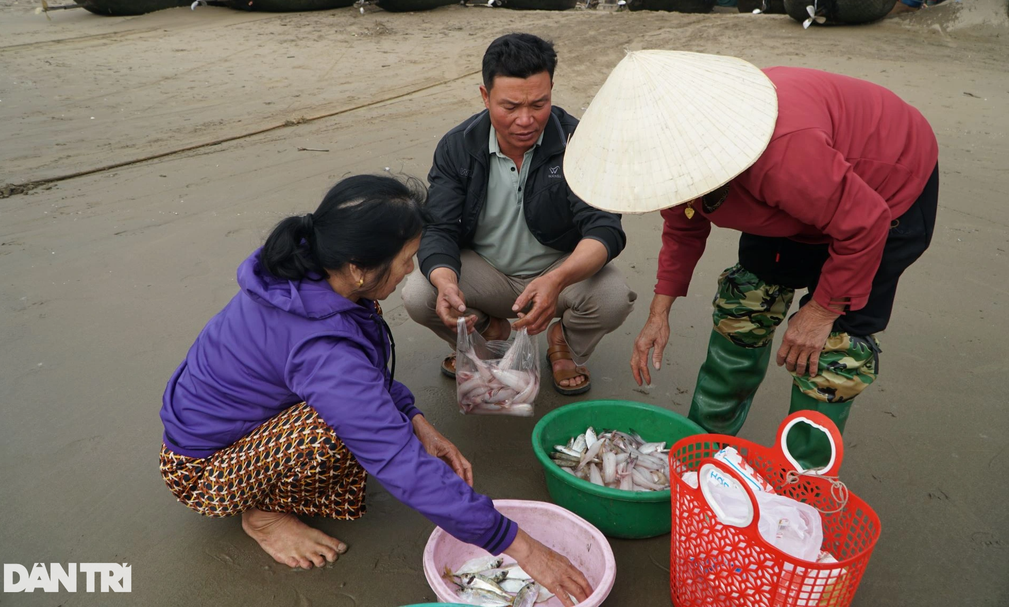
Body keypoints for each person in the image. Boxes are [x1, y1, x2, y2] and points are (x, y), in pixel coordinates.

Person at [158, 175, 592, 606]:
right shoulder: (321, 347)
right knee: (340, 430)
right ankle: (262, 515)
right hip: (204, 470)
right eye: (406, 260)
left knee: (369, 418)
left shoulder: (310, 271)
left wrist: (416, 419)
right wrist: (524, 548)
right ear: (359, 268)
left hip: (239, 424)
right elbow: (396, 459)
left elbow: (363, 374)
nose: (409, 271)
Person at [563, 51, 938, 469]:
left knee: (833, 352)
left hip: (887, 195)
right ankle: (703, 450)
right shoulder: (675, 158)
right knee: (743, 306)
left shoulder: (784, 153)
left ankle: (802, 486)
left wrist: (821, 311)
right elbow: (685, 220)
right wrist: (660, 309)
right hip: (798, 204)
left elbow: (866, 223)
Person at [402, 33, 636, 395]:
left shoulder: (579, 140)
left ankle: (564, 343)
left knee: (612, 297)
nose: (526, 120)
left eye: (539, 104)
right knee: (421, 292)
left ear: (552, 91)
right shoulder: (457, 146)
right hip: (485, 271)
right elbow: (439, 230)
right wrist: (447, 283)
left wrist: (557, 280)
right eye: (510, 107)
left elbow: (605, 229)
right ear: (485, 96)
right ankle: (487, 334)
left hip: (559, 272)